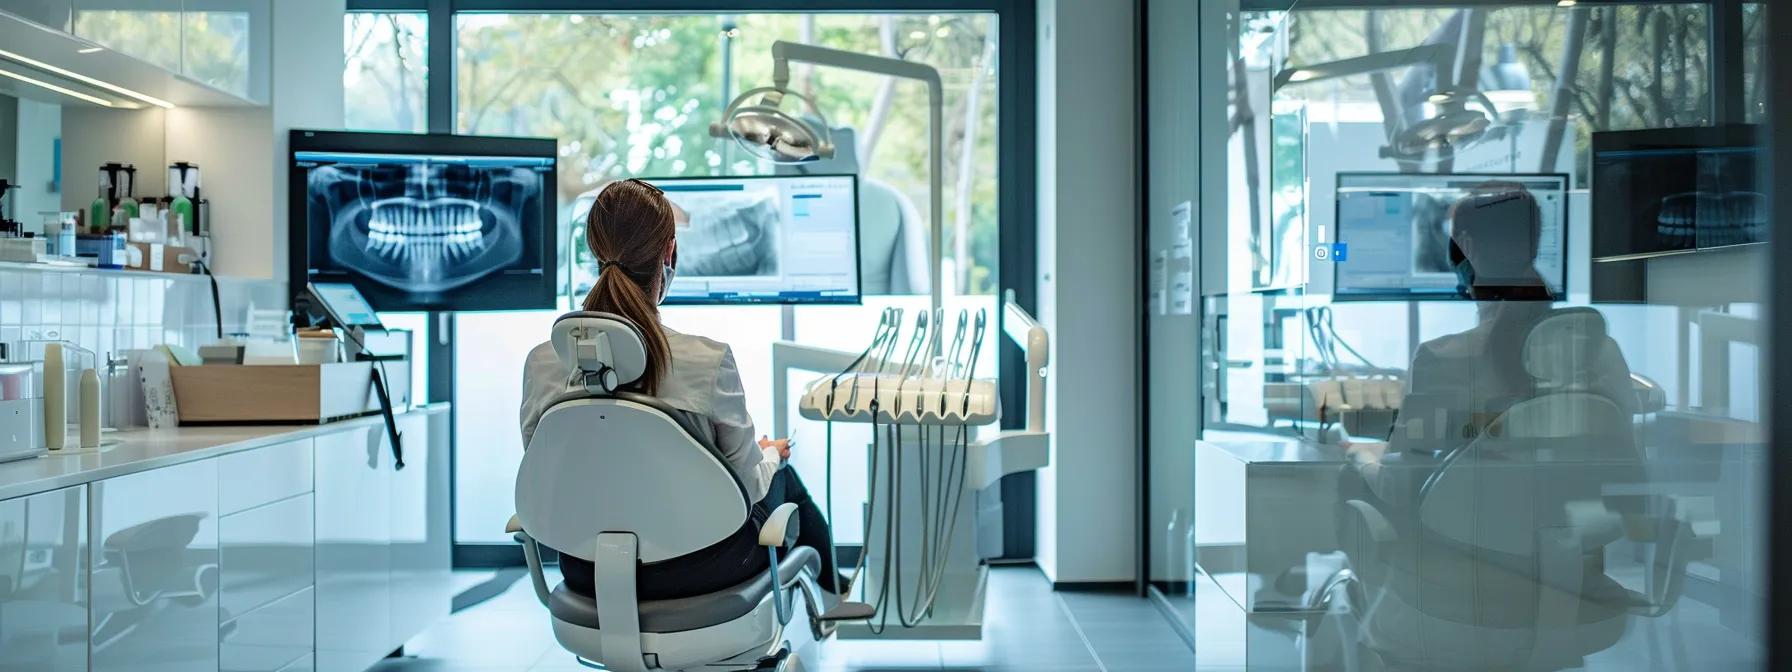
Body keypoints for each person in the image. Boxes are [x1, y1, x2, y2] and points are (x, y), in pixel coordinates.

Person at [519, 178, 849, 601]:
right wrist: (769, 453)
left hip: (588, 571)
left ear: (595, 250)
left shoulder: (543, 362)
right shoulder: (705, 361)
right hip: (704, 570)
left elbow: (545, 466)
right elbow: (748, 487)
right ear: (669, 252)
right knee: (781, 471)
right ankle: (837, 594)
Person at [1343, 182, 1636, 505]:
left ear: (1465, 246)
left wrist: (1361, 456)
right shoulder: (1601, 352)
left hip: (1467, 548)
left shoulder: (1439, 359)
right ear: (1534, 246)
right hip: (1573, 544)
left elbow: (1400, 487)